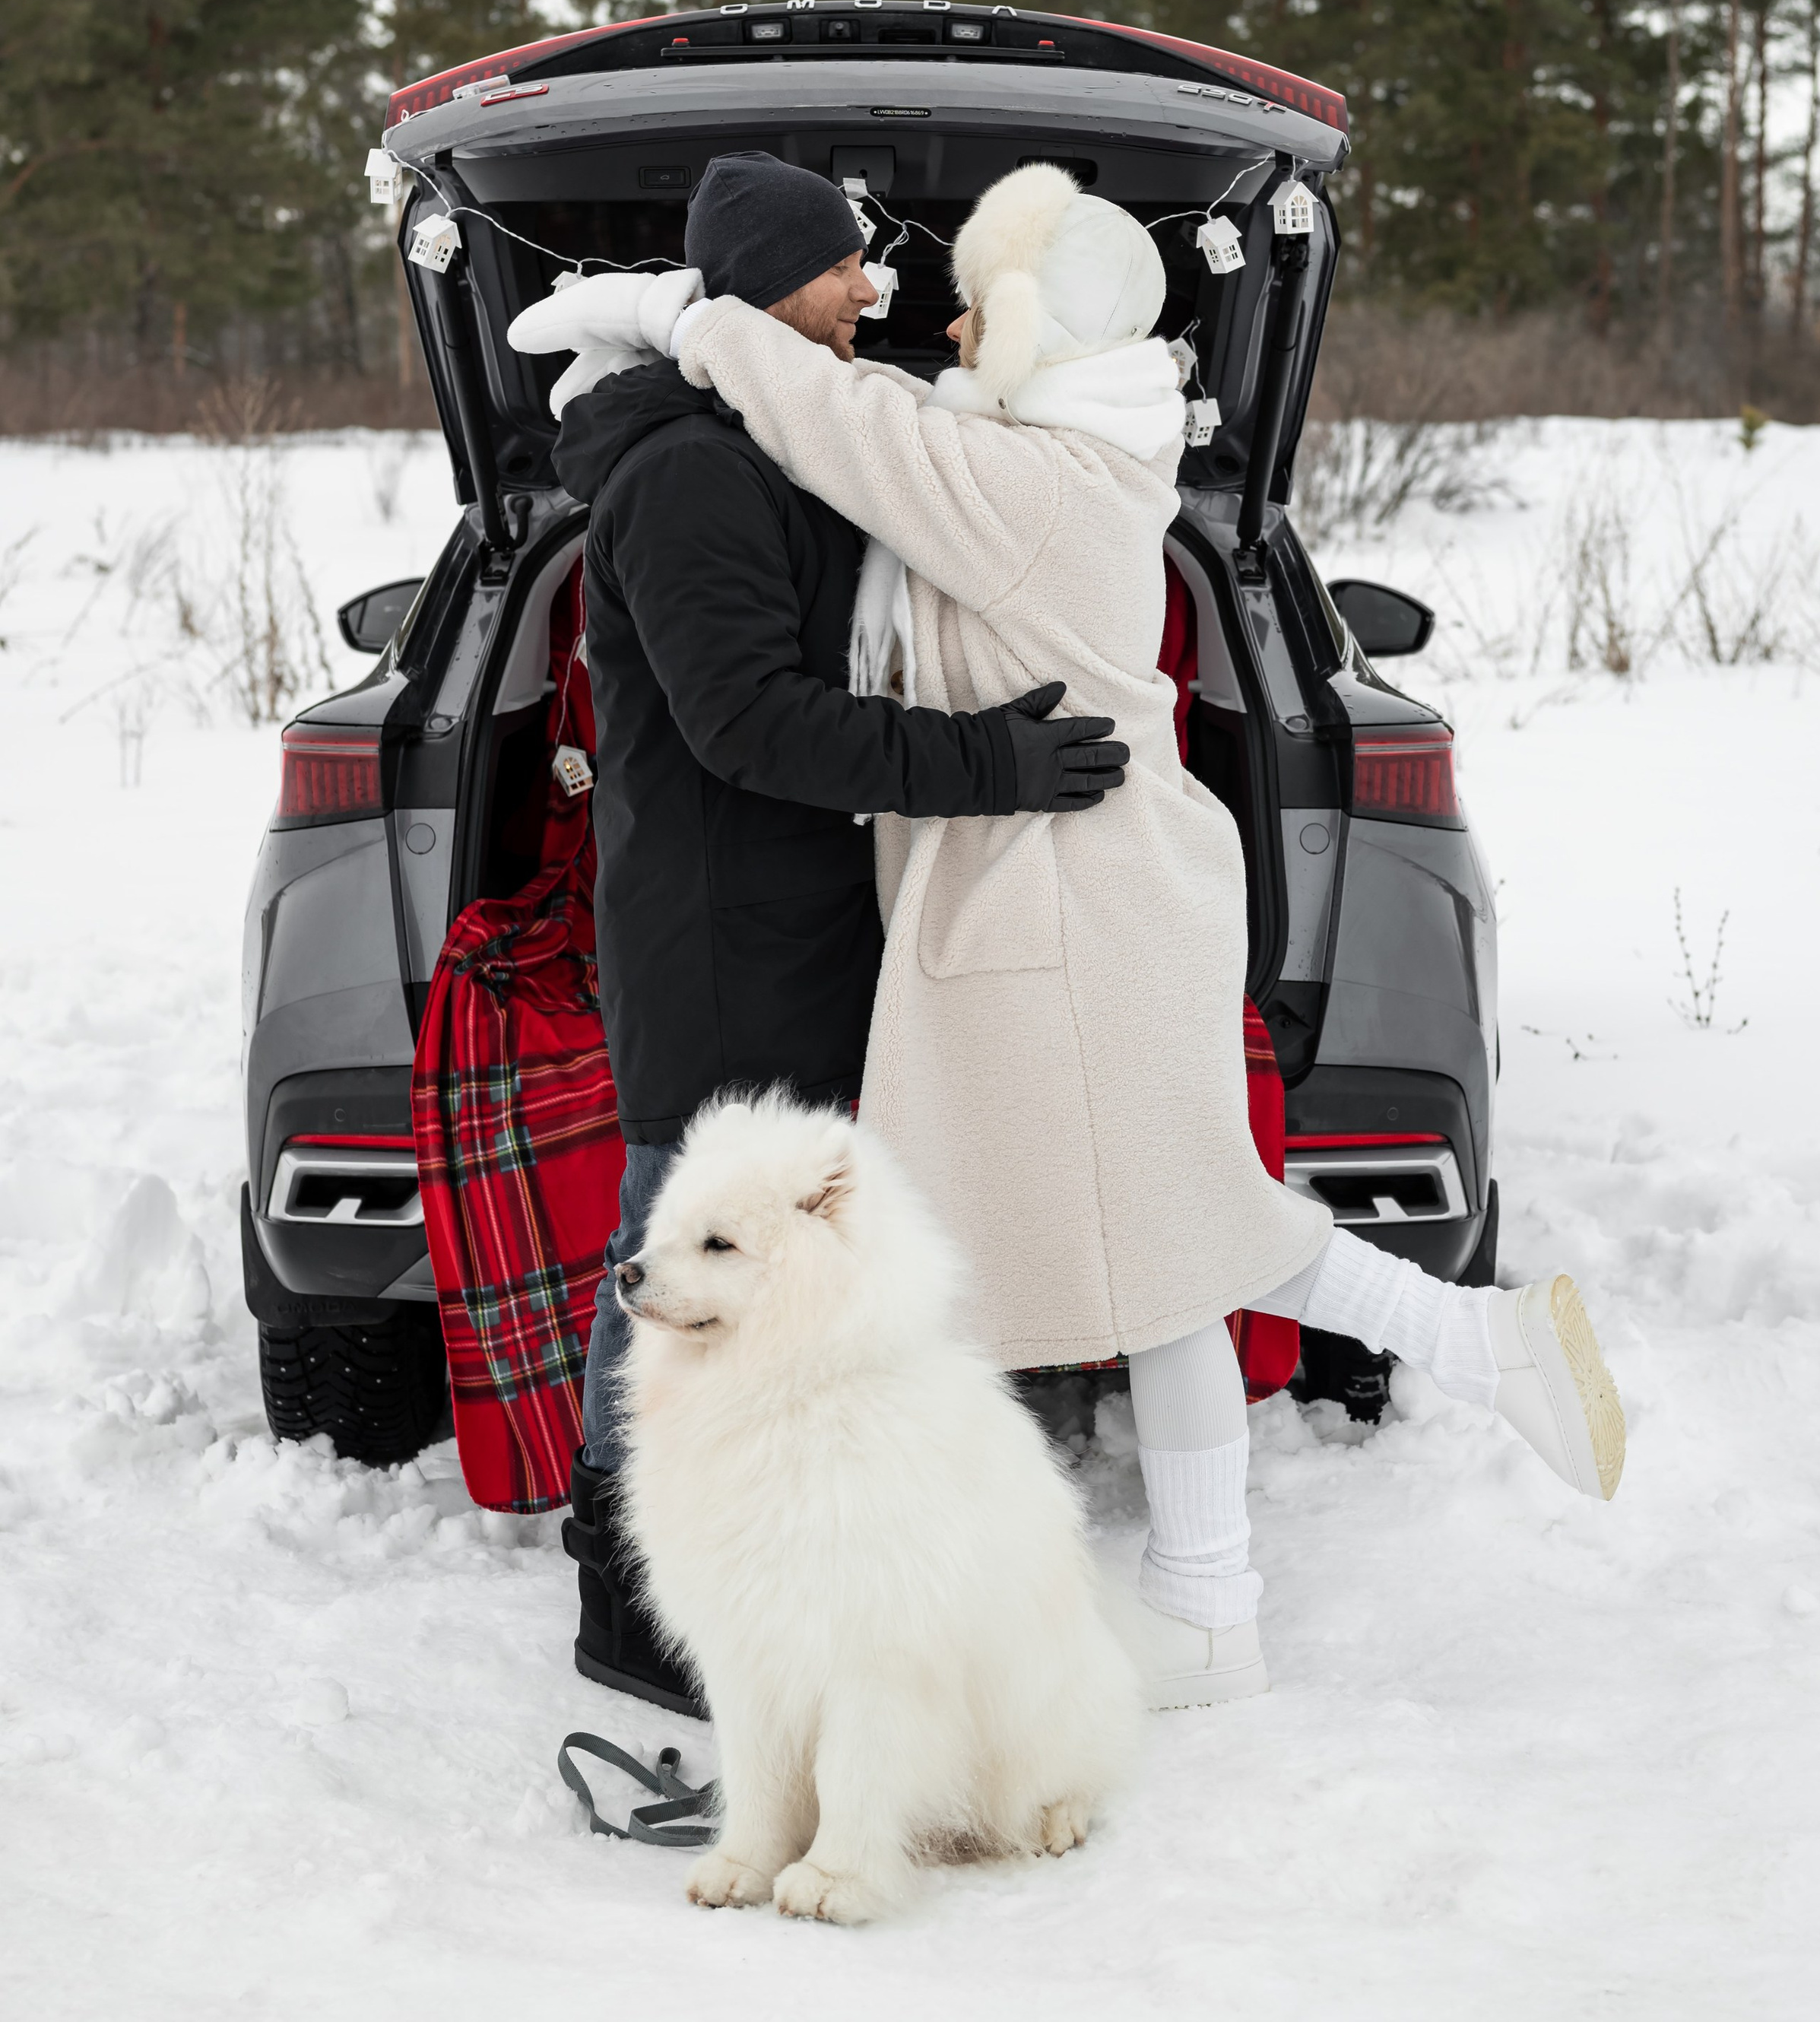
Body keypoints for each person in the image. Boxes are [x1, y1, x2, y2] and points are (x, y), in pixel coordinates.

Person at [528, 163, 1625, 1710]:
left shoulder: (1027, 479)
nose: (923, 317)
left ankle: (1435, 1372)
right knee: (1158, 1256)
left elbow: (850, 422)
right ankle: (1197, 1596)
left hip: (1073, 909)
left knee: (1164, 1241)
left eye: (976, 305)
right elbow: (841, 462)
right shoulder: (1050, 443)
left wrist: (680, 317)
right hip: (1042, 906)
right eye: (862, 271)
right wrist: (685, 323)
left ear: (1045, 328)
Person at [509, 154, 1127, 1709]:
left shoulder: (770, 440)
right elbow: (749, 724)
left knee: (774, 1269)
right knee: (676, 1271)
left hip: (798, 930)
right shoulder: (688, 475)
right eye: (846, 263)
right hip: (722, 949)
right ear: (774, 279)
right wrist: (988, 763)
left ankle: (759, 1565)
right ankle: (629, 1610)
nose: (872, 286)